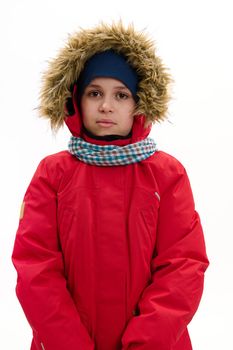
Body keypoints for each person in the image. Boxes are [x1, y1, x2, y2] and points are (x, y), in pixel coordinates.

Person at [12, 22, 209, 350]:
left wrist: (145, 343)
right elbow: (35, 267)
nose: (106, 106)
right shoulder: (53, 174)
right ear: (76, 100)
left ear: (140, 103)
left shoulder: (167, 174)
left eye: (121, 94)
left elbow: (183, 265)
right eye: (95, 93)